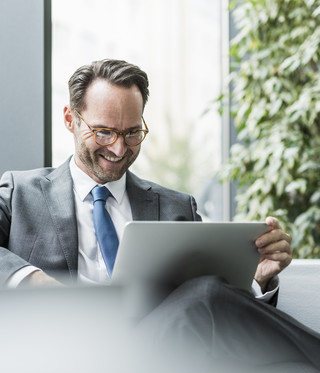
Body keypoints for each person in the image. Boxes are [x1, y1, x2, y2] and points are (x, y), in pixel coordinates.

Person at [0, 58, 291, 296]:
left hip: (158, 349)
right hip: (56, 346)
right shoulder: (19, 194)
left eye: (132, 133)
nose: (118, 148)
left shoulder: (178, 209)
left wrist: (256, 280)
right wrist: (33, 281)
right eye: (104, 131)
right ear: (70, 119)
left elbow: (211, 306)